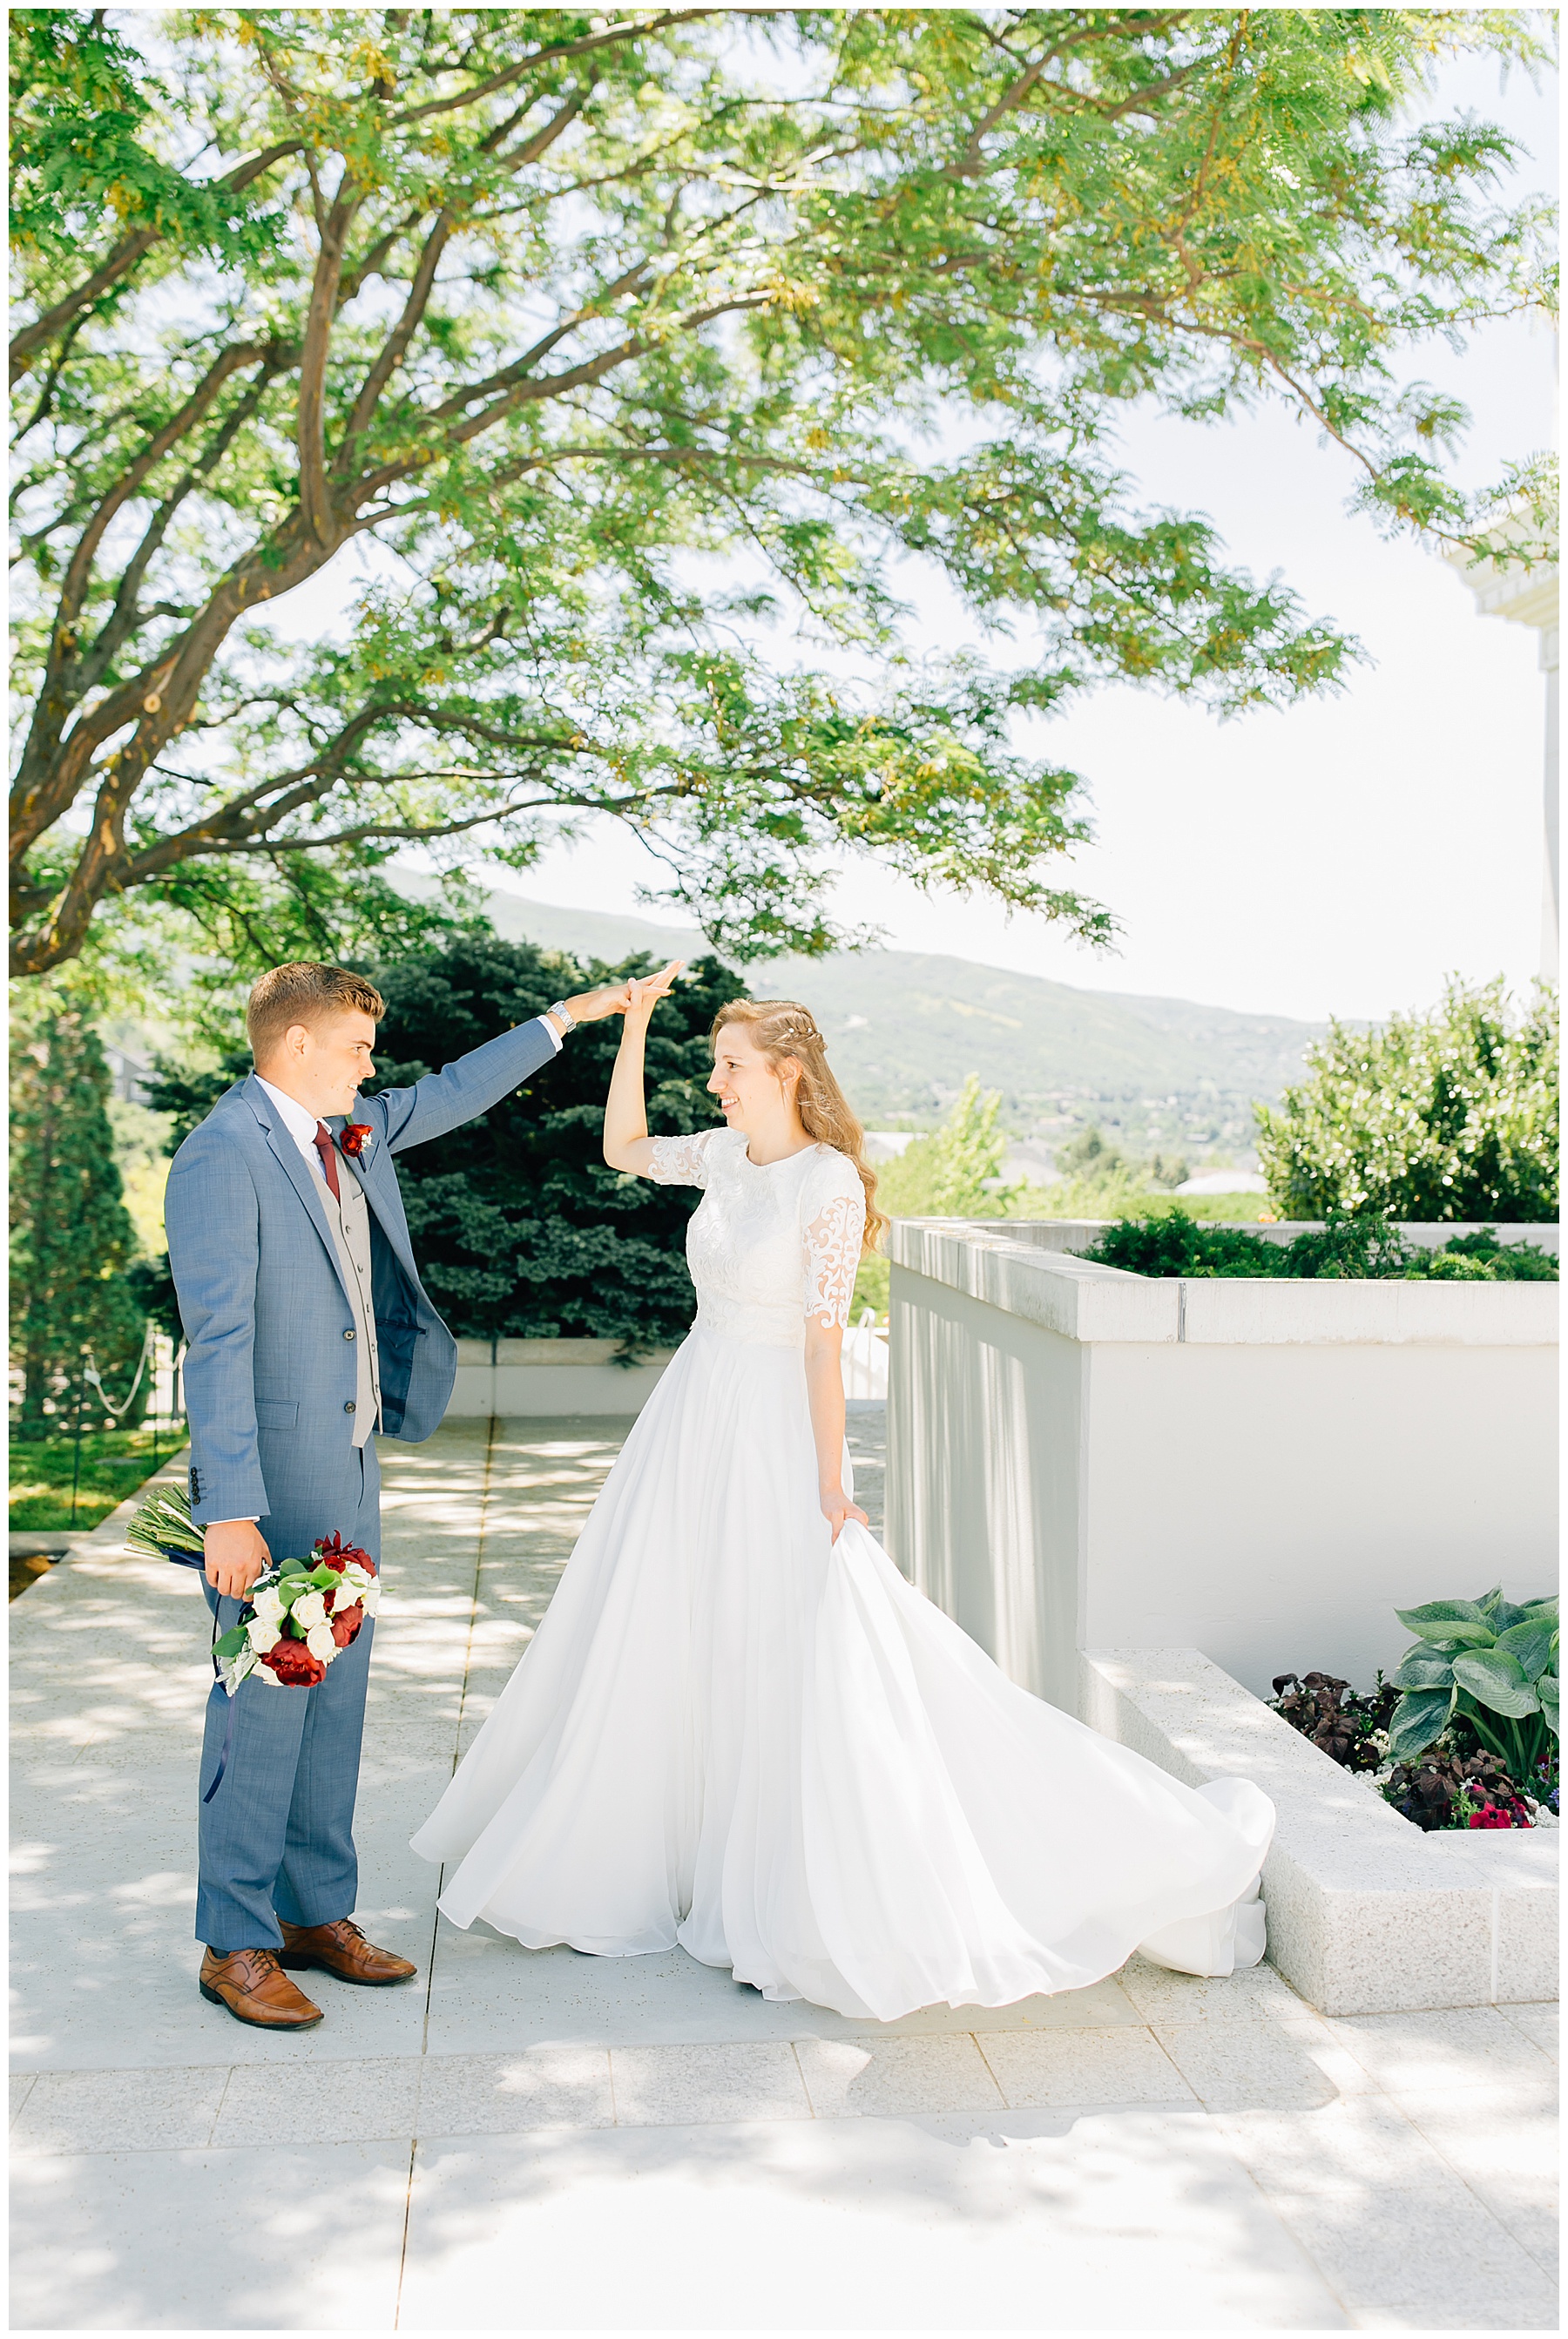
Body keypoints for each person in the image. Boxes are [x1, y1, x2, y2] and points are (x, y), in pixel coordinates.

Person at [412, 973, 1274, 2022]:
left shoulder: (828, 1185)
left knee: (781, 1633)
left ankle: (801, 1869)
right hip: (695, 1408)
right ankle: (678, 1851)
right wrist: (632, 1025)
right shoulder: (724, 1155)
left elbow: (825, 1344)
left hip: (775, 1416)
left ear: (785, 1073)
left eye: (729, 1066)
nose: (715, 1081)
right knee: (677, 1624)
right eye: (715, 1064)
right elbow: (624, 1150)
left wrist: (831, 1485)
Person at [165, 958, 632, 2031]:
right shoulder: (223, 1155)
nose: (374, 1069)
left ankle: (313, 1916)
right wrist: (229, 1509)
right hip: (269, 1489)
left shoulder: (346, 1130)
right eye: (359, 1048)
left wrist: (570, 1017)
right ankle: (232, 1942)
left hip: (351, 1468)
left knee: (331, 1700)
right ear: (295, 1049)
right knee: (264, 1705)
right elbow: (221, 1343)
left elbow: (452, 1092)